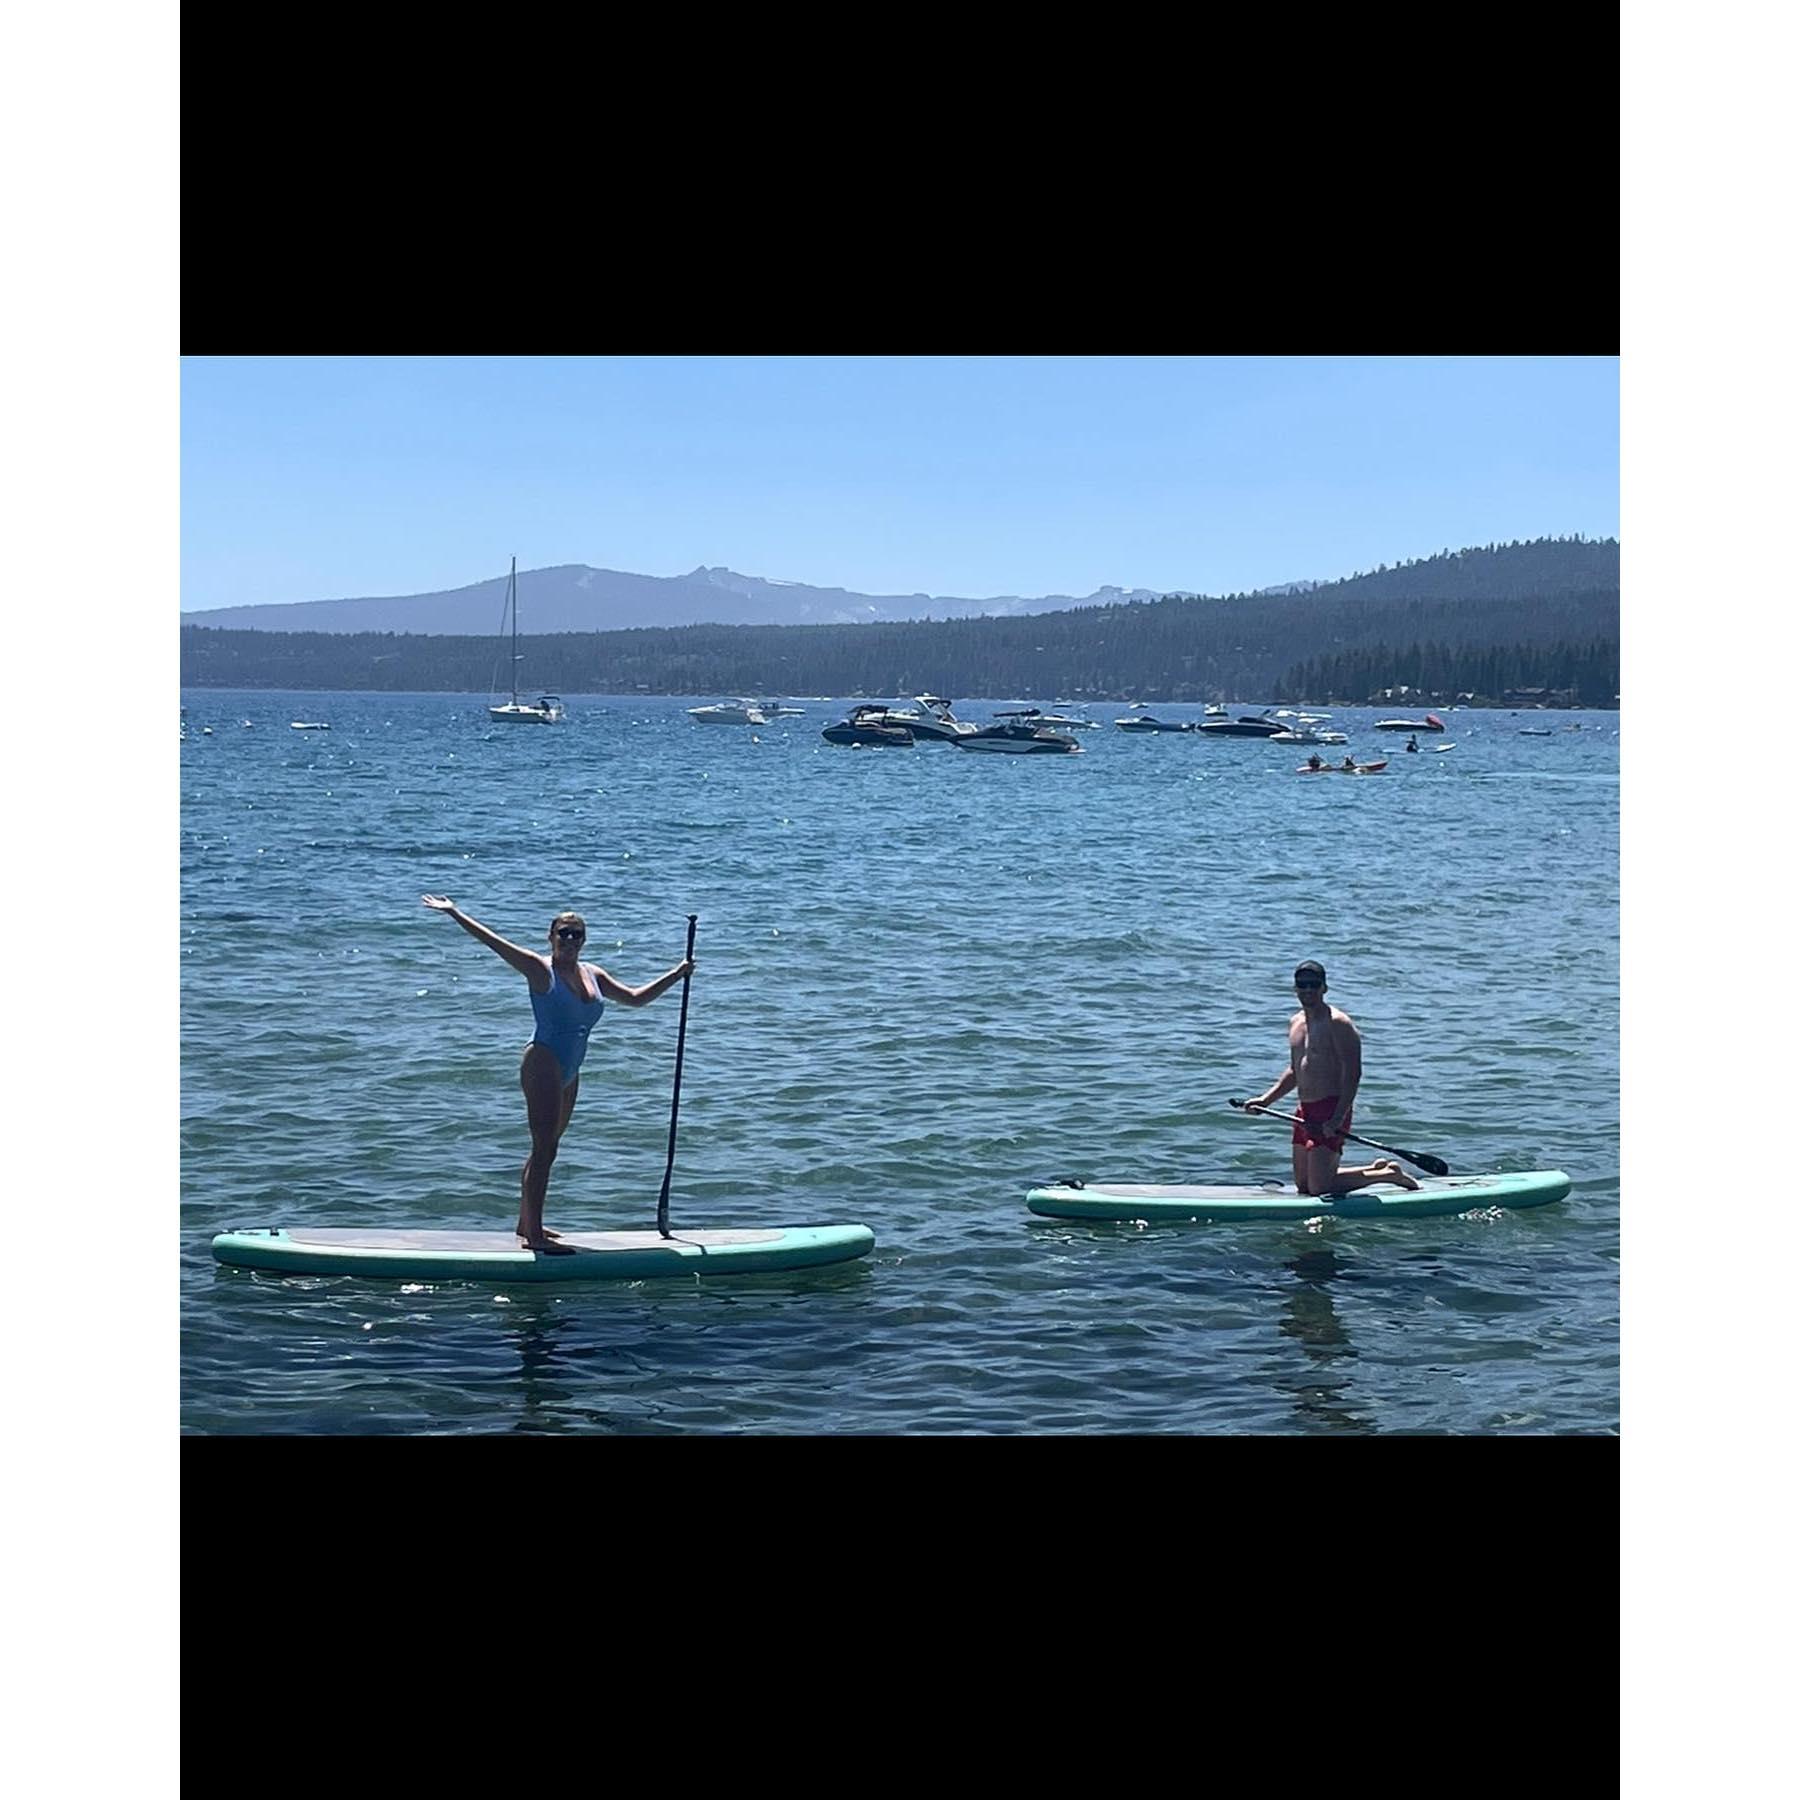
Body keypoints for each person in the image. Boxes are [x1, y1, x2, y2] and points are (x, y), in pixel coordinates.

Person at [422, 896, 694, 1251]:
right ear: (551, 936)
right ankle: (534, 1238)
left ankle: (526, 1223)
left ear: (584, 939)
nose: (569, 940)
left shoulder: (593, 974)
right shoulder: (540, 970)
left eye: (576, 934)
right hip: (543, 1062)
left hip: (571, 1069)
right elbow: (493, 942)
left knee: (549, 1148)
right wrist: (455, 913)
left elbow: (635, 998)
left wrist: (677, 973)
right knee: (544, 1146)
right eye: (563, 933)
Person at [1243, 961, 1420, 1196]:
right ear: (1295, 988)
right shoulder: (1295, 1022)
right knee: (1304, 1186)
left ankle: (1387, 1175)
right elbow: (1296, 1070)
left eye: (1314, 985)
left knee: (1320, 1189)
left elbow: (1353, 1074)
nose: (1308, 990)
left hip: (1331, 1108)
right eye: (1302, 985)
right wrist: (1265, 1101)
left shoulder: (1339, 1024)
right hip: (1304, 1110)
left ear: (1324, 988)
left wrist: (1338, 1117)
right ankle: (1377, 1170)